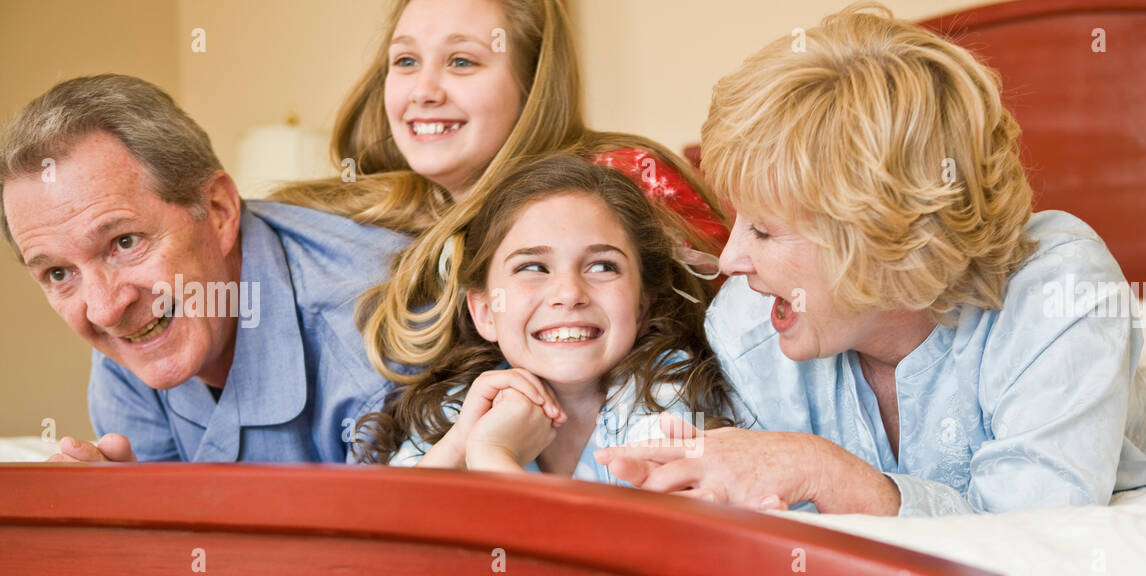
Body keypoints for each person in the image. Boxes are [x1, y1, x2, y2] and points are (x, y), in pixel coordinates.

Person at [596, 1, 1146, 515]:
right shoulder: (749, 321)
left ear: (885, 237)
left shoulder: (1059, 290)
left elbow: (1036, 532)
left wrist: (829, 472)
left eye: (766, 232)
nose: (733, 258)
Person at [269, 0, 730, 391]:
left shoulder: (623, 177)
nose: (423, 92)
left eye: (461, 62)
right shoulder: (390, 212)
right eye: (406, 61)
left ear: (531, 84)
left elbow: (737, 348)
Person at [0, 75, 407, 463]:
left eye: (125, 242)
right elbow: (176, 527)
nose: (105, 311)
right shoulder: (133, 338)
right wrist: (125, 517)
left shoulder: (371, 343)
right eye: (58, 273)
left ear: (218, 211)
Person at [357, 154, 736, 482]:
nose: (569, 294)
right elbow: (381, 547)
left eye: (603, 266)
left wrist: (491, 455)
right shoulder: (461, 405)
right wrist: (459, 444)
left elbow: (597, 558)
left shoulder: (671, 395)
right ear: (486, 312)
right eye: (533, 267)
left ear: (640, 306)